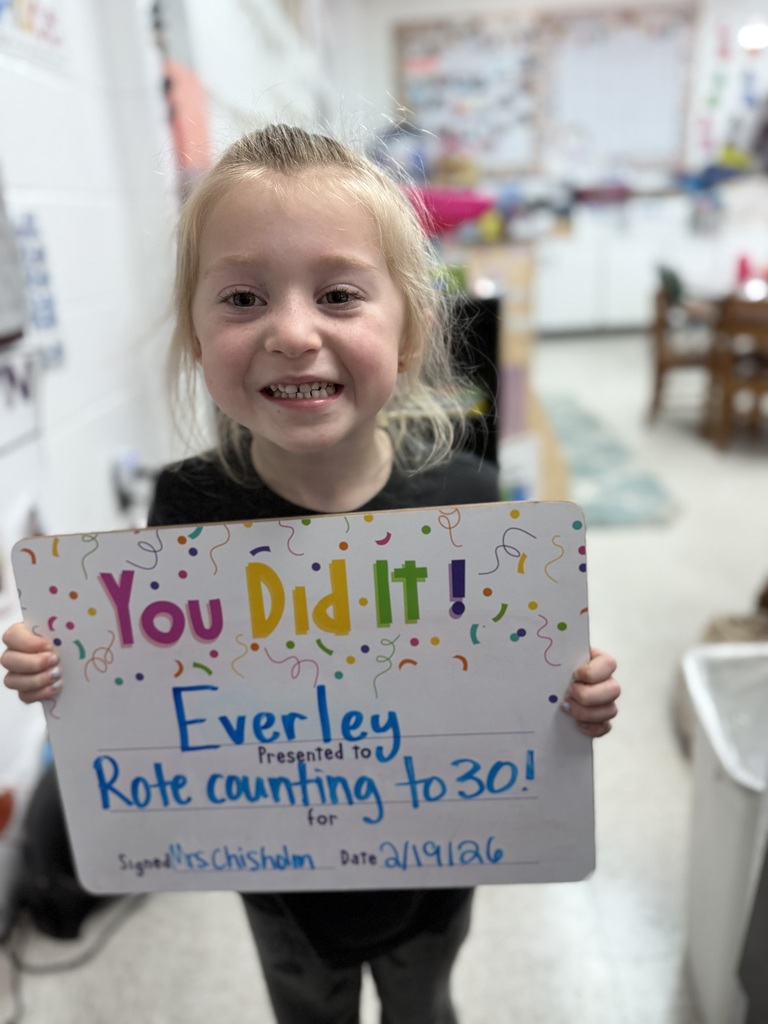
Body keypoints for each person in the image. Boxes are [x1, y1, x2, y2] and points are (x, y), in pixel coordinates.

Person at [1, 123, 620, 1024]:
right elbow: (149, 691)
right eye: (244, 298)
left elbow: (518, 689)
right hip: (280, 887)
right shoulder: (184, 510)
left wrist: (576, 697)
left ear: (408, 333)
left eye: (338, 294)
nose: (293, 333)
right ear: (197, 334)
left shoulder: (470, 503)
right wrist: (62, 675)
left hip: (435, 874)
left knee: (424, 1007)